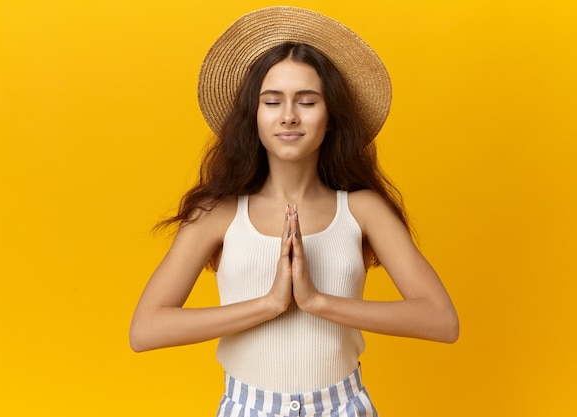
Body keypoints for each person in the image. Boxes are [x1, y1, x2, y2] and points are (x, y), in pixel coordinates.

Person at [129, 6, 459, 417]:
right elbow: (145, 330)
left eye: (306, 101)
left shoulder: (362, 210)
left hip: (342, 406)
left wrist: (317, 301)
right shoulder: (218, 213)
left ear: (331, 118)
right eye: (272, 102)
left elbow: (441, 321)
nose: (288, 116)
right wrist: (269, 304)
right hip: (248, 407)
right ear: (254, 116)